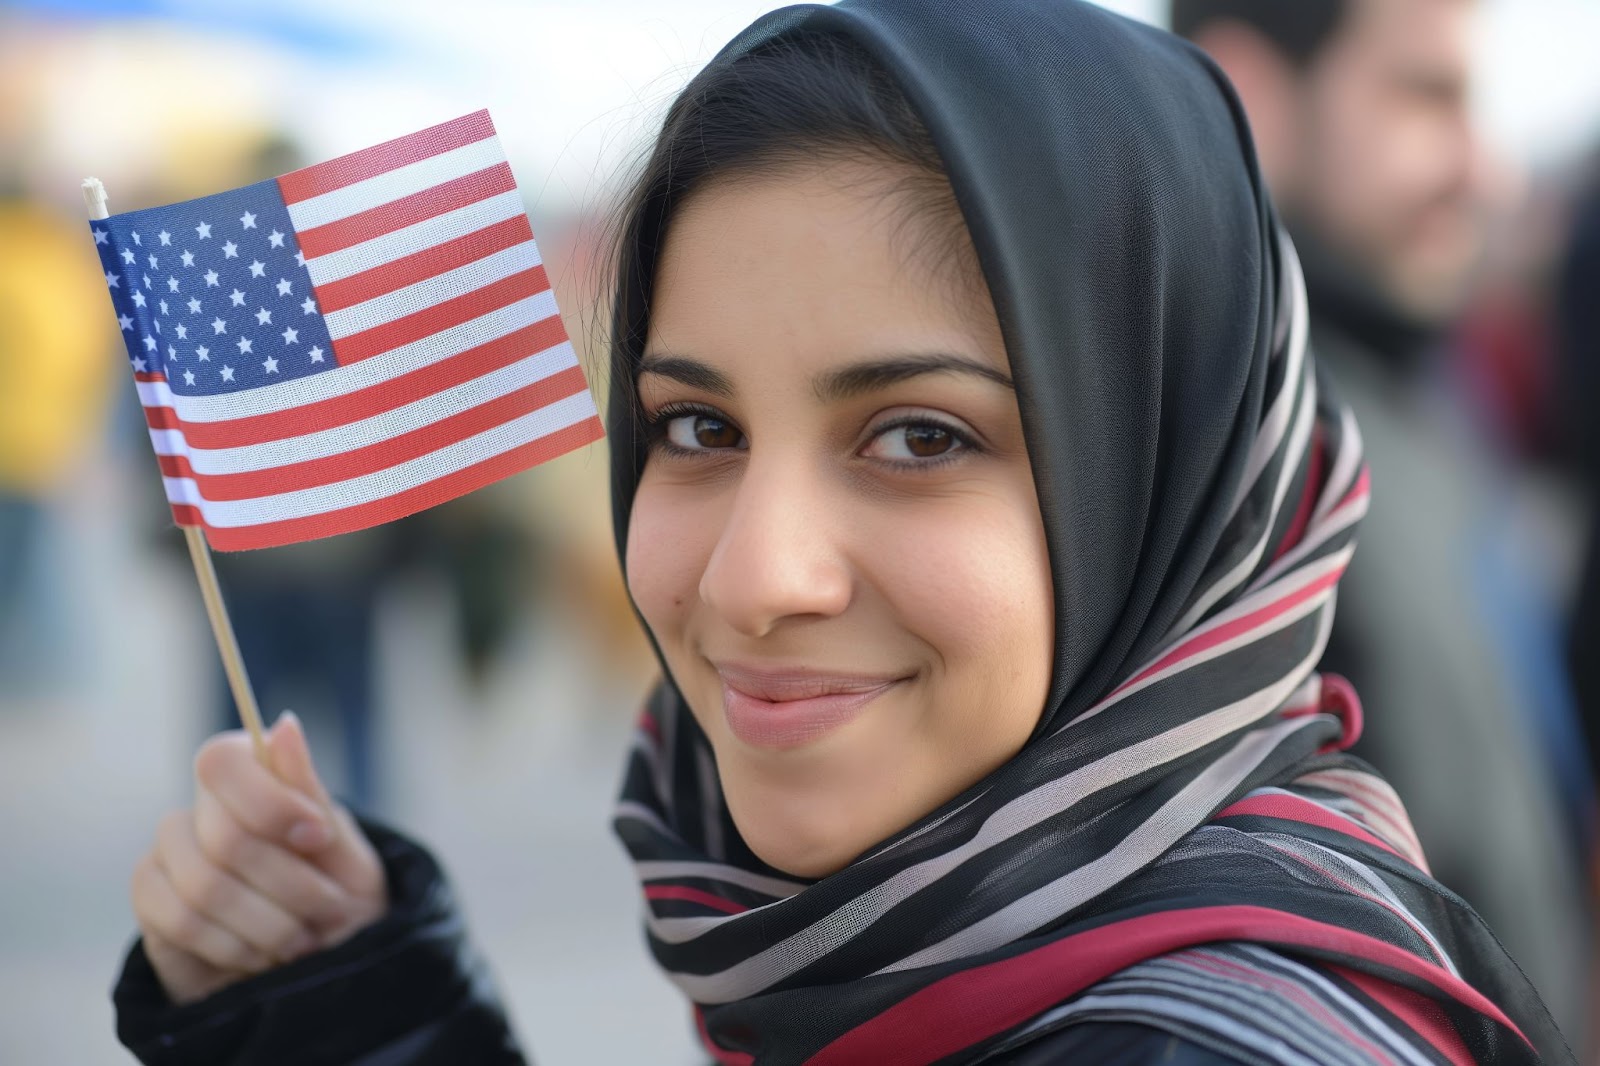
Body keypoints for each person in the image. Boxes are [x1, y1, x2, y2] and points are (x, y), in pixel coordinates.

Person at [110, 2, 1571, 1063]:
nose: (753, 578)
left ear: (1163, 493)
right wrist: (355, 1009)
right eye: (697, 429)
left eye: (920, 437)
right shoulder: (905, 972)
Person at [1172, 0, 1594, 1045]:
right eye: (1424, 96)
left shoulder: (1414, 397)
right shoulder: (1214, 460)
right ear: (1249, 94)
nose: (1484, 171)